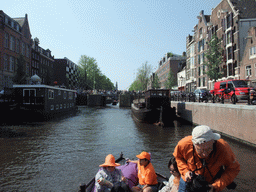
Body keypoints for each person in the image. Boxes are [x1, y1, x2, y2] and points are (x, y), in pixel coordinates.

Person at [173, 125, 240, 192]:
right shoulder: (184, 145)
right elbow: (178, 157)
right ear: (193, 144)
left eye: (209, 149)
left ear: (213, 141)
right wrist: (185, 171)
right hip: (188, 181)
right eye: (200, 150)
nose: (205, 154)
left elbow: (233, 169)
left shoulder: (223, 148)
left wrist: (216, 186)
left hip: (210, 184)